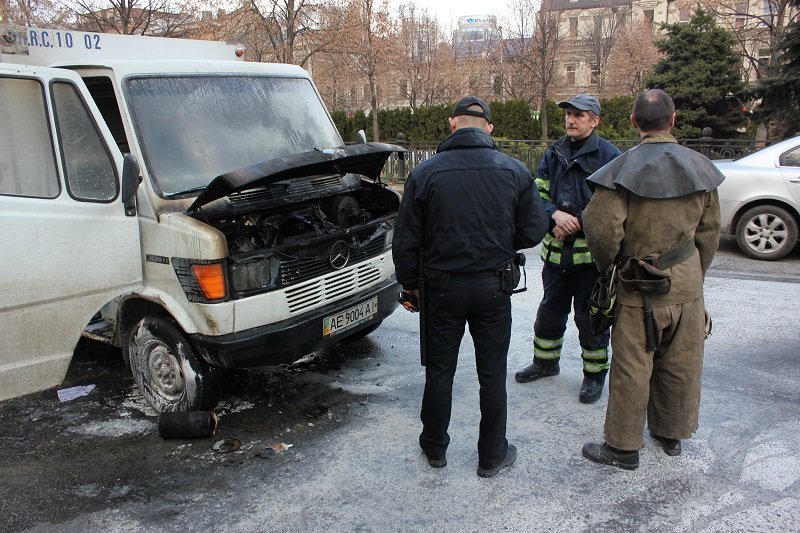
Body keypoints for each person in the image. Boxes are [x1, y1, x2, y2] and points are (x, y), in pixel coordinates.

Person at [392, 96, 548, 478]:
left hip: (441, 289)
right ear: (489, 128)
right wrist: (500, 242)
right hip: (493, 287)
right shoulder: (513, 170)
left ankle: (434, 448)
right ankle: (492, 455)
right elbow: (534, 228)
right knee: (492, 374)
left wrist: (410, 286)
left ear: (452, 124)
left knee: (440, 371)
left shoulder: (426, 173)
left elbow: (406, 239)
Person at [580, 89, 724, 470]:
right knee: (682, 361)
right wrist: (694, 275)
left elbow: (601, 228)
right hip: (687, 282)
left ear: (633, 123)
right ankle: (670, 433)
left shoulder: (621, 171)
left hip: (636, 283)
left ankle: (623, 448)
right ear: (673, 120)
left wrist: (609, 268)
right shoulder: (701, 168)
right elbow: (709, 232)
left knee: (632, 364)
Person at [514, 94, 621, 404]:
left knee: (590, 319)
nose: (571, 120)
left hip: (591, 260)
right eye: (568, 114)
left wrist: (578, 221)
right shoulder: (554, 152)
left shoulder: (610, 156)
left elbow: (613, 208)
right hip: (556, 254)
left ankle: (594, 376)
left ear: (595, 120)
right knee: (549, 312)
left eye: (579, 115)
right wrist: (555, 216)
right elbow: (538, 194)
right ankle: (545, 363)